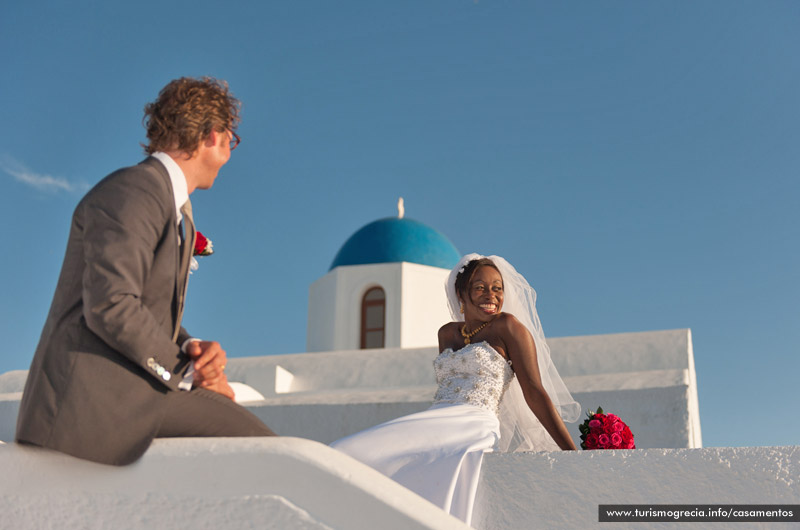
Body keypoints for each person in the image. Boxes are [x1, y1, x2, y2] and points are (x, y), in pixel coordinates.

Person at [15, 77, 275, 466]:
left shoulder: (164, 203)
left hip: (127, 395)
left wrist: (191, 349)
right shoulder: (134, 191)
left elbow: (137, 305)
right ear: (211, 136)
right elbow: (111, 305)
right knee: (267, 451)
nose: (229, 154)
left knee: (261, 443)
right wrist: (184, 371)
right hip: (91, 408)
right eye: (231, 141)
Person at [331, 254, 580, 525]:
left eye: (497, 287)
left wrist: (572, 453)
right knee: (351, 454)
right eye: (480, 287)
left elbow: (534, 391)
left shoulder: (508, 327)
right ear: (461, 294)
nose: (491, 294)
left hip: (474, 426)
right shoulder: (447, 334)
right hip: (435, 418)